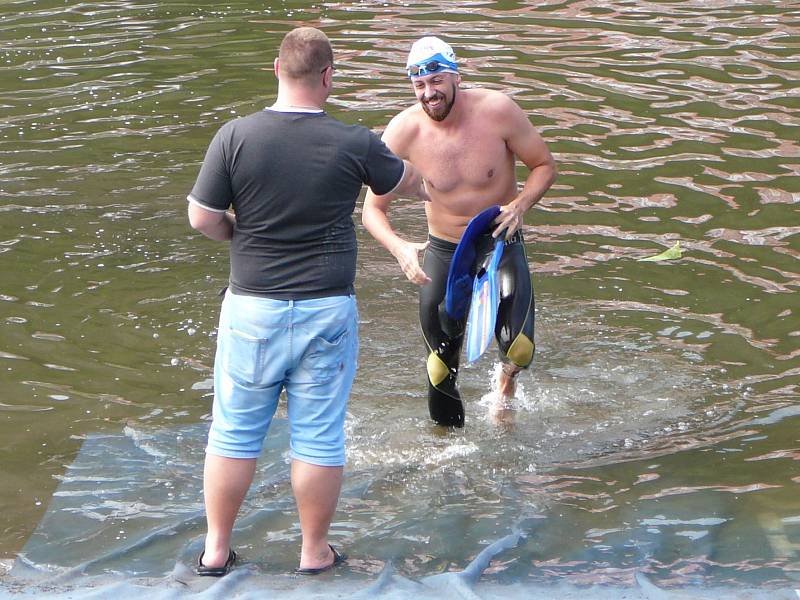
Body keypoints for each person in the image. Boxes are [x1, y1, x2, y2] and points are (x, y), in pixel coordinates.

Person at [187, 27, 427, 576]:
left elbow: (202, 218)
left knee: (233, 431)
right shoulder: (354, 141)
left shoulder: (235, 136)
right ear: (328, 77)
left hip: (252, 307)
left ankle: (215, 551)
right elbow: (411, 183)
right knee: (317, 436)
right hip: (326, 309)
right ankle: (314, 553)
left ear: (276, 70)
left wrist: (239, 235)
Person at [362, 36, 557, 427]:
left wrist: (520, 205)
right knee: (440, 368)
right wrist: (400, 248)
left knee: (518, 349)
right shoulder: (402, 132)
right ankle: (449, 451)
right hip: (444, 251)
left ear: (455, 77)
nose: (429, 94)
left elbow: (544, 165)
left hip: (500, 242)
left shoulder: (498, 111)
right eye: (419, 86)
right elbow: (372, 209)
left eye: (436, 83)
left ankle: (505, 382)